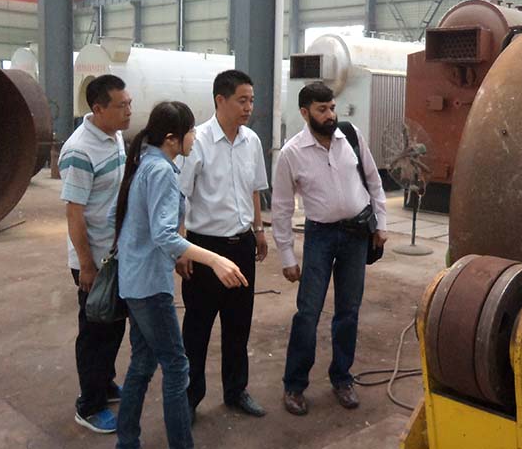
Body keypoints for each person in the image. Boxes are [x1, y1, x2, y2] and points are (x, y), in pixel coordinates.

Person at [113, 101, 248, 449]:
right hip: (148, 287)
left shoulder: (147, 163)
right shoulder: (160, 171)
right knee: (176, 368)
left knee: (143, 363)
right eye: (190, 133)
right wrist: (215, 260)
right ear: (172, 139)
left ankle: (127, 441)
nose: (194, 138)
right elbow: (163, 234)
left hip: (135, 280)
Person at [271, 81, 389, 416]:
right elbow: (281, 208)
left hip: (356, 236)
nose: (330, 115)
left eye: (332, 108)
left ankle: (342, 378)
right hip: (320, 237)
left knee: (348, 311)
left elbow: (374, 180)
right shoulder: (292, 153)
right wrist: (287, 256)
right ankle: (294, 385)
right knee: (308, 313)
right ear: (304, 112)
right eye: (322, 109)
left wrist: (380, 224)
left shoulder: (350, 136)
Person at [178, 70, 269, 419]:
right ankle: (190, 397)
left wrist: (259, 230)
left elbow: (254, 188)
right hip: (205, 250)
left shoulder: (252, 141)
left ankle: (236, 390)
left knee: (238, 324)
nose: (249, 107)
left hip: (241, 246)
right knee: (197, 328)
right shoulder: (197, 142)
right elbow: (180, 196)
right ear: (220, 100)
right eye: (242, 100)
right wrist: (181, 248)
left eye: (251, 100)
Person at [59, 74, 131, 433]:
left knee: (113, 324)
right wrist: (86, 266)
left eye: (129, 103)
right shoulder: (79, 151)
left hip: (114, 254)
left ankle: (103, 382)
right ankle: (89, 405)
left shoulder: (113, 135)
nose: (128, 111)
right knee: (95, 332)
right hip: (95, 259)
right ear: (98, 109)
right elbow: (74, 213)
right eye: (121, 106)